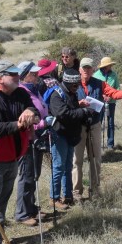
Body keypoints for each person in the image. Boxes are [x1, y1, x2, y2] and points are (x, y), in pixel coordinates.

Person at [0, 61, 40, 244]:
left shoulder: (21, 93)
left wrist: (29, 112)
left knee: (2, 201)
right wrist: (18, 124)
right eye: (12, 74)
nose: (18, 77)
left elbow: (34, 111)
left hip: (13, 157)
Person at [73, 58, 122, 199]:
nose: (86, 70)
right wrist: (77, 103)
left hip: (94, 125)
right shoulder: (73, 84)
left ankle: (95, 190)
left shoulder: (99, 83)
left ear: (93, 70)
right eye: (84, 68)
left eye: (88, 68)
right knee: (76, 160)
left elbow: (114, 93)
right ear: (79, 69)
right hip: (78, 126)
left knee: (95, 158)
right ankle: (76, 191)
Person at [47, 69, 93, 209]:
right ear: (66, 82)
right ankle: (54, 198)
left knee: (67, 167)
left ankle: (68, 196)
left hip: (70, 134)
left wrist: (80, 107)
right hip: (59, 134)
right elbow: (63, 114)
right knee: (58, 167)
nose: (77, 87)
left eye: (77, 84)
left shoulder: (71, 93)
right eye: (74, 84)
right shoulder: (57, 95)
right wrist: (82, 111)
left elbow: (71, 109)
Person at [15, 61, 49, 226]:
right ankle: (22, 213)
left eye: (37, 73)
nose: (37, 75)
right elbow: (24, 120)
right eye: (33, 73)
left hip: (39, 137)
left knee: (34, 175)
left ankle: (31, 207)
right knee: (26, 176)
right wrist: (43, 123)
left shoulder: (33, 90)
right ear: (24, 75)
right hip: (28, 140)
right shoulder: (22, 92)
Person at [93, 57, 120, 150]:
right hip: (99, 103)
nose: (111, 66)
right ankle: (96, 144)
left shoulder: (114, 75)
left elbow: (117, 88)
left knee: (111, 123)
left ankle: (110, 144)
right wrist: (102, 95)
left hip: (111, 103)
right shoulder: (96, 75)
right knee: (98, 123)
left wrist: (111, 96)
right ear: (105, 66)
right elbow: (93, 89)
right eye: (109, 65)